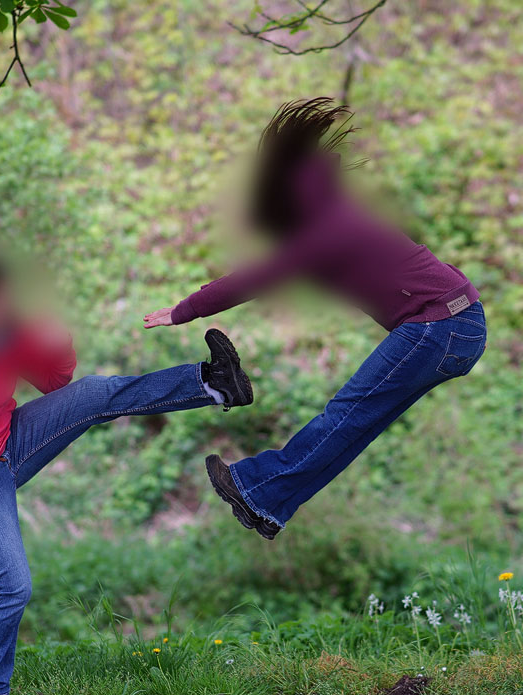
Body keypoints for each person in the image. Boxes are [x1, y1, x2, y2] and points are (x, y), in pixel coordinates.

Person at [0, 253, 253, 695]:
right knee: (13, 585)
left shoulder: (11, 335)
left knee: (91, 394)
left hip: (13, 441)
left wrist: (58, 342)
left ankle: (213, 384)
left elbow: (55, 382)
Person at [144, 98, 486, 540]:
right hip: (458, 324)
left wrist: (183, 310)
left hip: (442, 325)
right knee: (356, 423)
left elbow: (257, 276)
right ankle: (269, 505)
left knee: (347, 414)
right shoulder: (334, 213)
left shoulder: (328, 229)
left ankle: (258, 490)